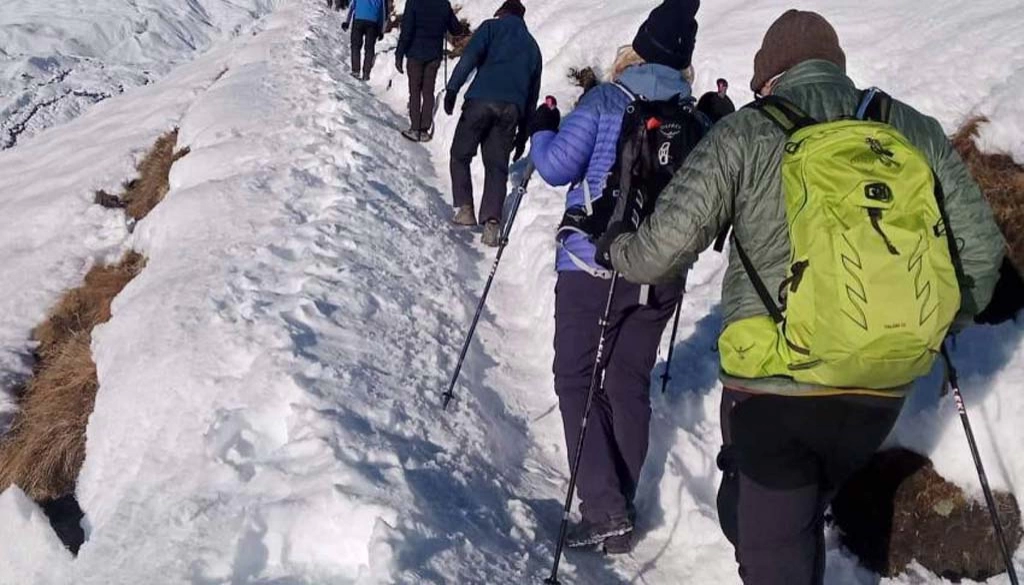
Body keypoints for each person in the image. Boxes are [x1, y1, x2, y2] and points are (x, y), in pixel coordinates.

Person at [603, 9, 1005, 583]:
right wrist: (937, 320)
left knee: (770, 547)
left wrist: (617, 247)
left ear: (769, 77)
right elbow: (982, 256)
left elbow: (659, 252)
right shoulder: (909, 128)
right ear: (834, 67)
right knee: (792, 516)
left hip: (774, 392)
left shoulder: (745, 131)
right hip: (880, 388)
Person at [528, 0, 700, 554]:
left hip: (590, 266)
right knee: (628, 383)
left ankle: (605, 511)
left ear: (642, 47)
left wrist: (541, 130)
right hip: (658, 273)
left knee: (576, 378)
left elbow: (555, 168)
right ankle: (616, 501)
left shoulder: (607, 99)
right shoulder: (693, 118)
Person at [442, 0, 542, 247]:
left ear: (502, 13)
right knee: (497, 166)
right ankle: (492, 225)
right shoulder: (532, 47)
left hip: (480, 101)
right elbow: (532, 95)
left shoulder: (490, 28)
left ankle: (466, 210)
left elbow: (469, 58)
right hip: (511, 110)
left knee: (460, 153)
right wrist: (523, 135)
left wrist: (452, 89)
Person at [395, 0, 463, 141]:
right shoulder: (443, 4)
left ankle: (415, 128)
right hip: (434, 54)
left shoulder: (413, 3)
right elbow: (456, 29)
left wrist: (399, 53)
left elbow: (407, 30)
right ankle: (424, 129)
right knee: (428, 91)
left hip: (415, 52)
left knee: (415, 90)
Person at [343, 0, 389, 80]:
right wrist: (381, 30)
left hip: (358, 19)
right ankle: (366, 74)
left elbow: (352, 6)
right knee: (369, 48)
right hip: (373, 22)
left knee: (355, 46)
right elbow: (383, 13)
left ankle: (355, 71)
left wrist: (347, 22)